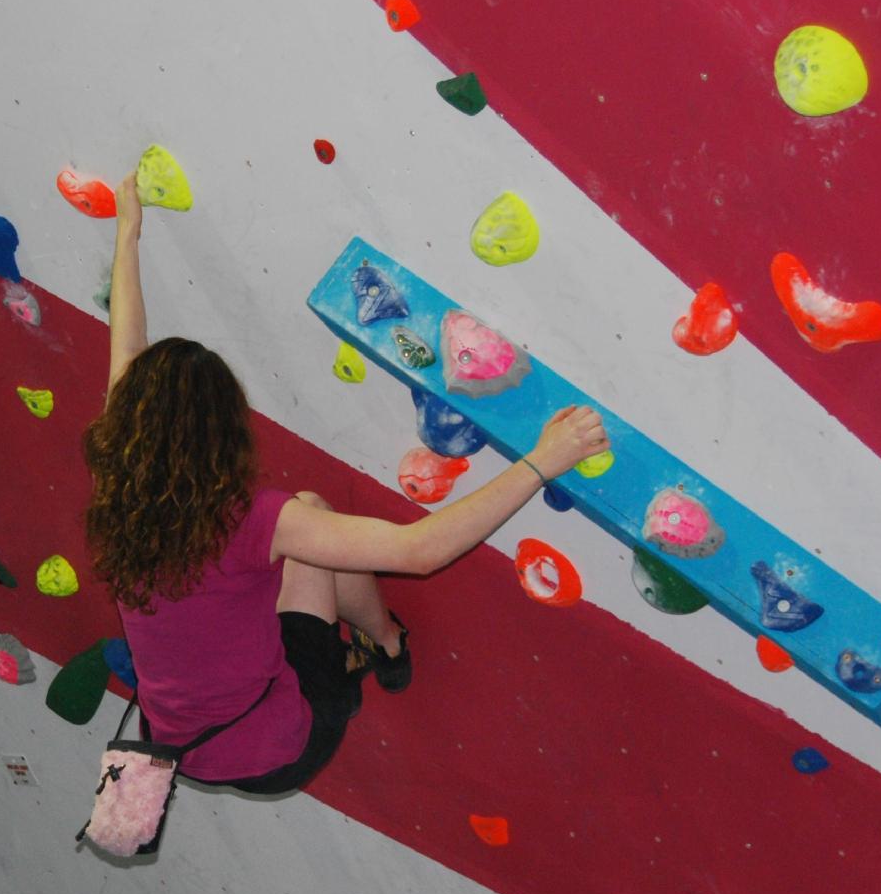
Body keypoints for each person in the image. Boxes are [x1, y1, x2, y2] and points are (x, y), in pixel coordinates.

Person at [81, 172, 610, 795]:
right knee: (312, 514)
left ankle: (379, 645)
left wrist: (128, 232)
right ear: (225, 432)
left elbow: (127, 353)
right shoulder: (256, 520)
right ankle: (385, 641)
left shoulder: (118, 483)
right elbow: (421, 550)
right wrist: (545, 459)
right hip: (284, 744)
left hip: (186, 750)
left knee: (284, 556)